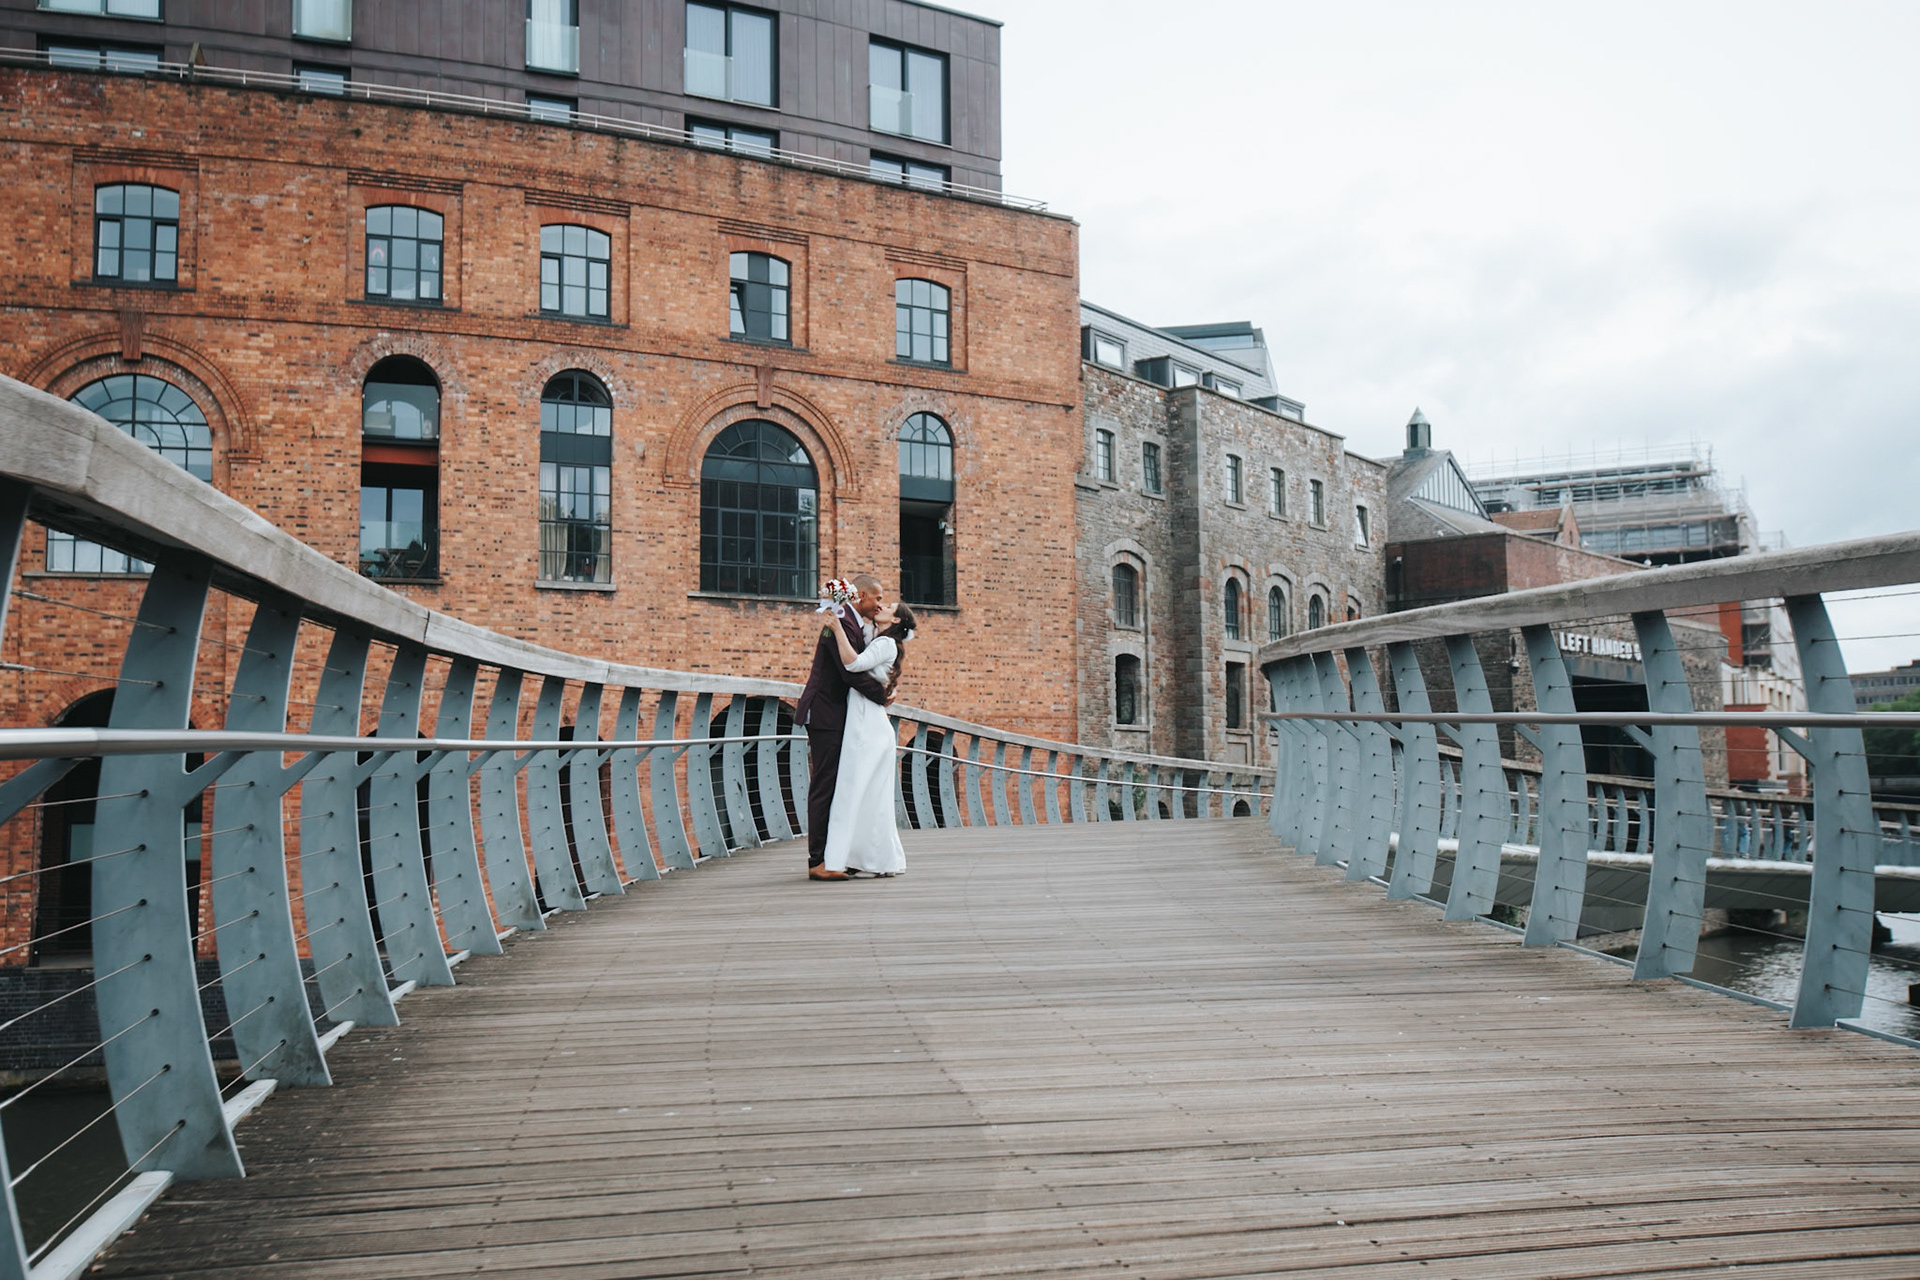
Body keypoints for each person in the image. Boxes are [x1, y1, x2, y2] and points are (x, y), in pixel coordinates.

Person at [794, 574, 889, 881]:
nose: (880, 604)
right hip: (825, 714)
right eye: (877, 598)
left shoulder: (849, 621)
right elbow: (849, 672)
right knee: (825, 785)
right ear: (860, 595)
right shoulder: (841, 621)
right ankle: (818, 861)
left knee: (837, 784)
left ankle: (834, 856)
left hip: (835, 715)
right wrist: (883, 696)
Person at [821, 601, 915, 878]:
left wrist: (836, 627)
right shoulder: (878, 639)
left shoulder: (885, 644)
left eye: (888, 606)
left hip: (867, 726)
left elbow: (853, 664)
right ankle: (874, 860)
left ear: (896, 620)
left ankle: (870, 861)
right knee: (869, 794)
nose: (882, 605)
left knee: (860, 790)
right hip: (868, 721)